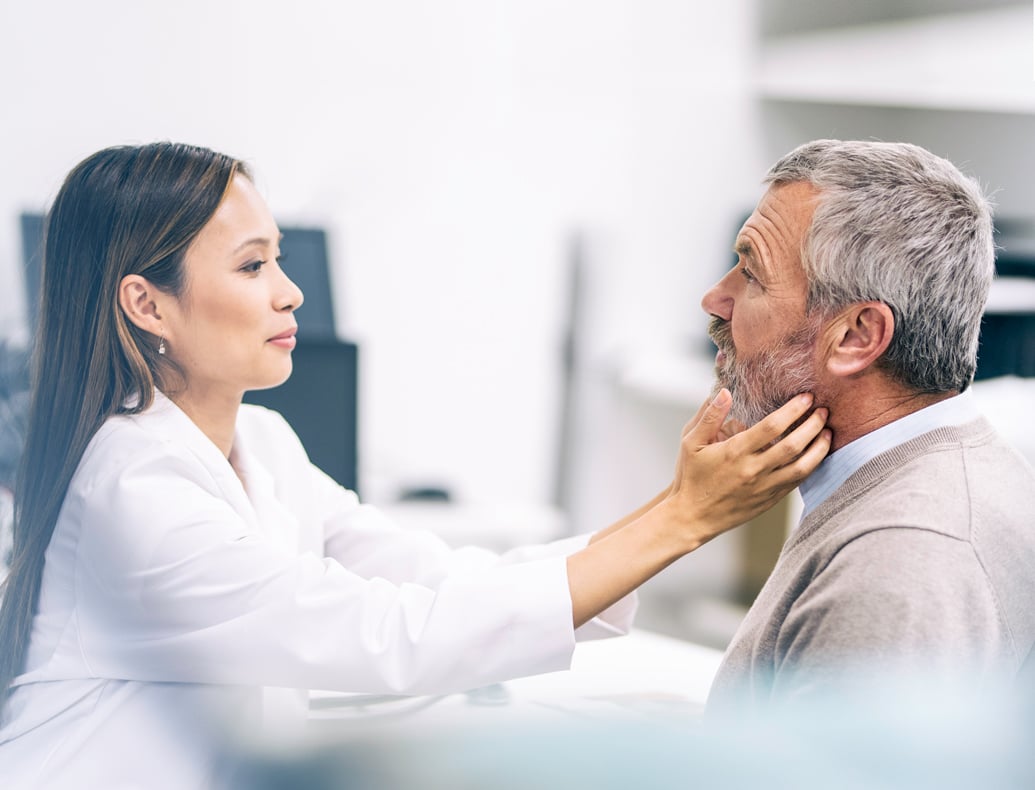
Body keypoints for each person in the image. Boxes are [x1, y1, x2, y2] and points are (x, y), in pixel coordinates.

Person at [0, 142, 830, 787]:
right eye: (252, 266)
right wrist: (683, 518)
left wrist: (671, 511)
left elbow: (438, 582)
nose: (289, 292)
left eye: (279, 259)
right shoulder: (131, 492)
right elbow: (388, 637)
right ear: (146, 304)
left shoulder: (265, 446)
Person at [702, 139, 1035, 713]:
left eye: (751, 276)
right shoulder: (938, 481)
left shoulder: (902, 560)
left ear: (856, 337)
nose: (715, 299)